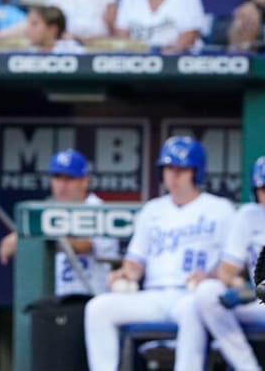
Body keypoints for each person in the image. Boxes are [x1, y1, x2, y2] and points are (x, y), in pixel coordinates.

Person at [84, 136, 236, 371]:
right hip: (154, 295)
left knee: (192, 309)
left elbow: (234, 263)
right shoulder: (152, 210)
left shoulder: (220, 209)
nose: (173, 175)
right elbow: (135, 261)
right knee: (98, 308)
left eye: (180, 169)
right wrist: (126, 273)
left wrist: (211, 277)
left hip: (192, 295)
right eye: (168, 168)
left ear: (196, 172)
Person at [174, 156, 265, 371]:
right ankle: (248, 367)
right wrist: (230, 284)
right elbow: (227, 271)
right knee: (206, 294)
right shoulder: (248, 216)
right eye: (263, 188)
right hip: (257, 303)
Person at [0, 149, 118, 296]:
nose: (62, 185)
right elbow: (8, 247)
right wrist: (22, 237)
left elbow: (83, 245)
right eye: (57, 178)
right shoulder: (48, 209)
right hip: (57, 302)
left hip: (92, 298)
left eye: (69, 178)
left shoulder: (99, 209)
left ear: (85, 182)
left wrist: (38, 237)